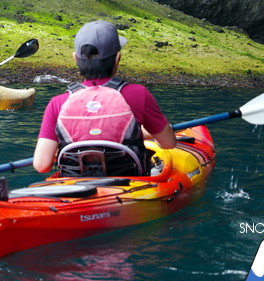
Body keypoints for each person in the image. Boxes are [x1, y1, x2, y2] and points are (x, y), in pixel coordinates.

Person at [33, 20, 176, 174]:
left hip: (75, 186)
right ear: (117, 58)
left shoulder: (58, 103)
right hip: (131, 184)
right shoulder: (138, 94)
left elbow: (41, 165)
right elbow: (168, 143)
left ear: (76, 58)